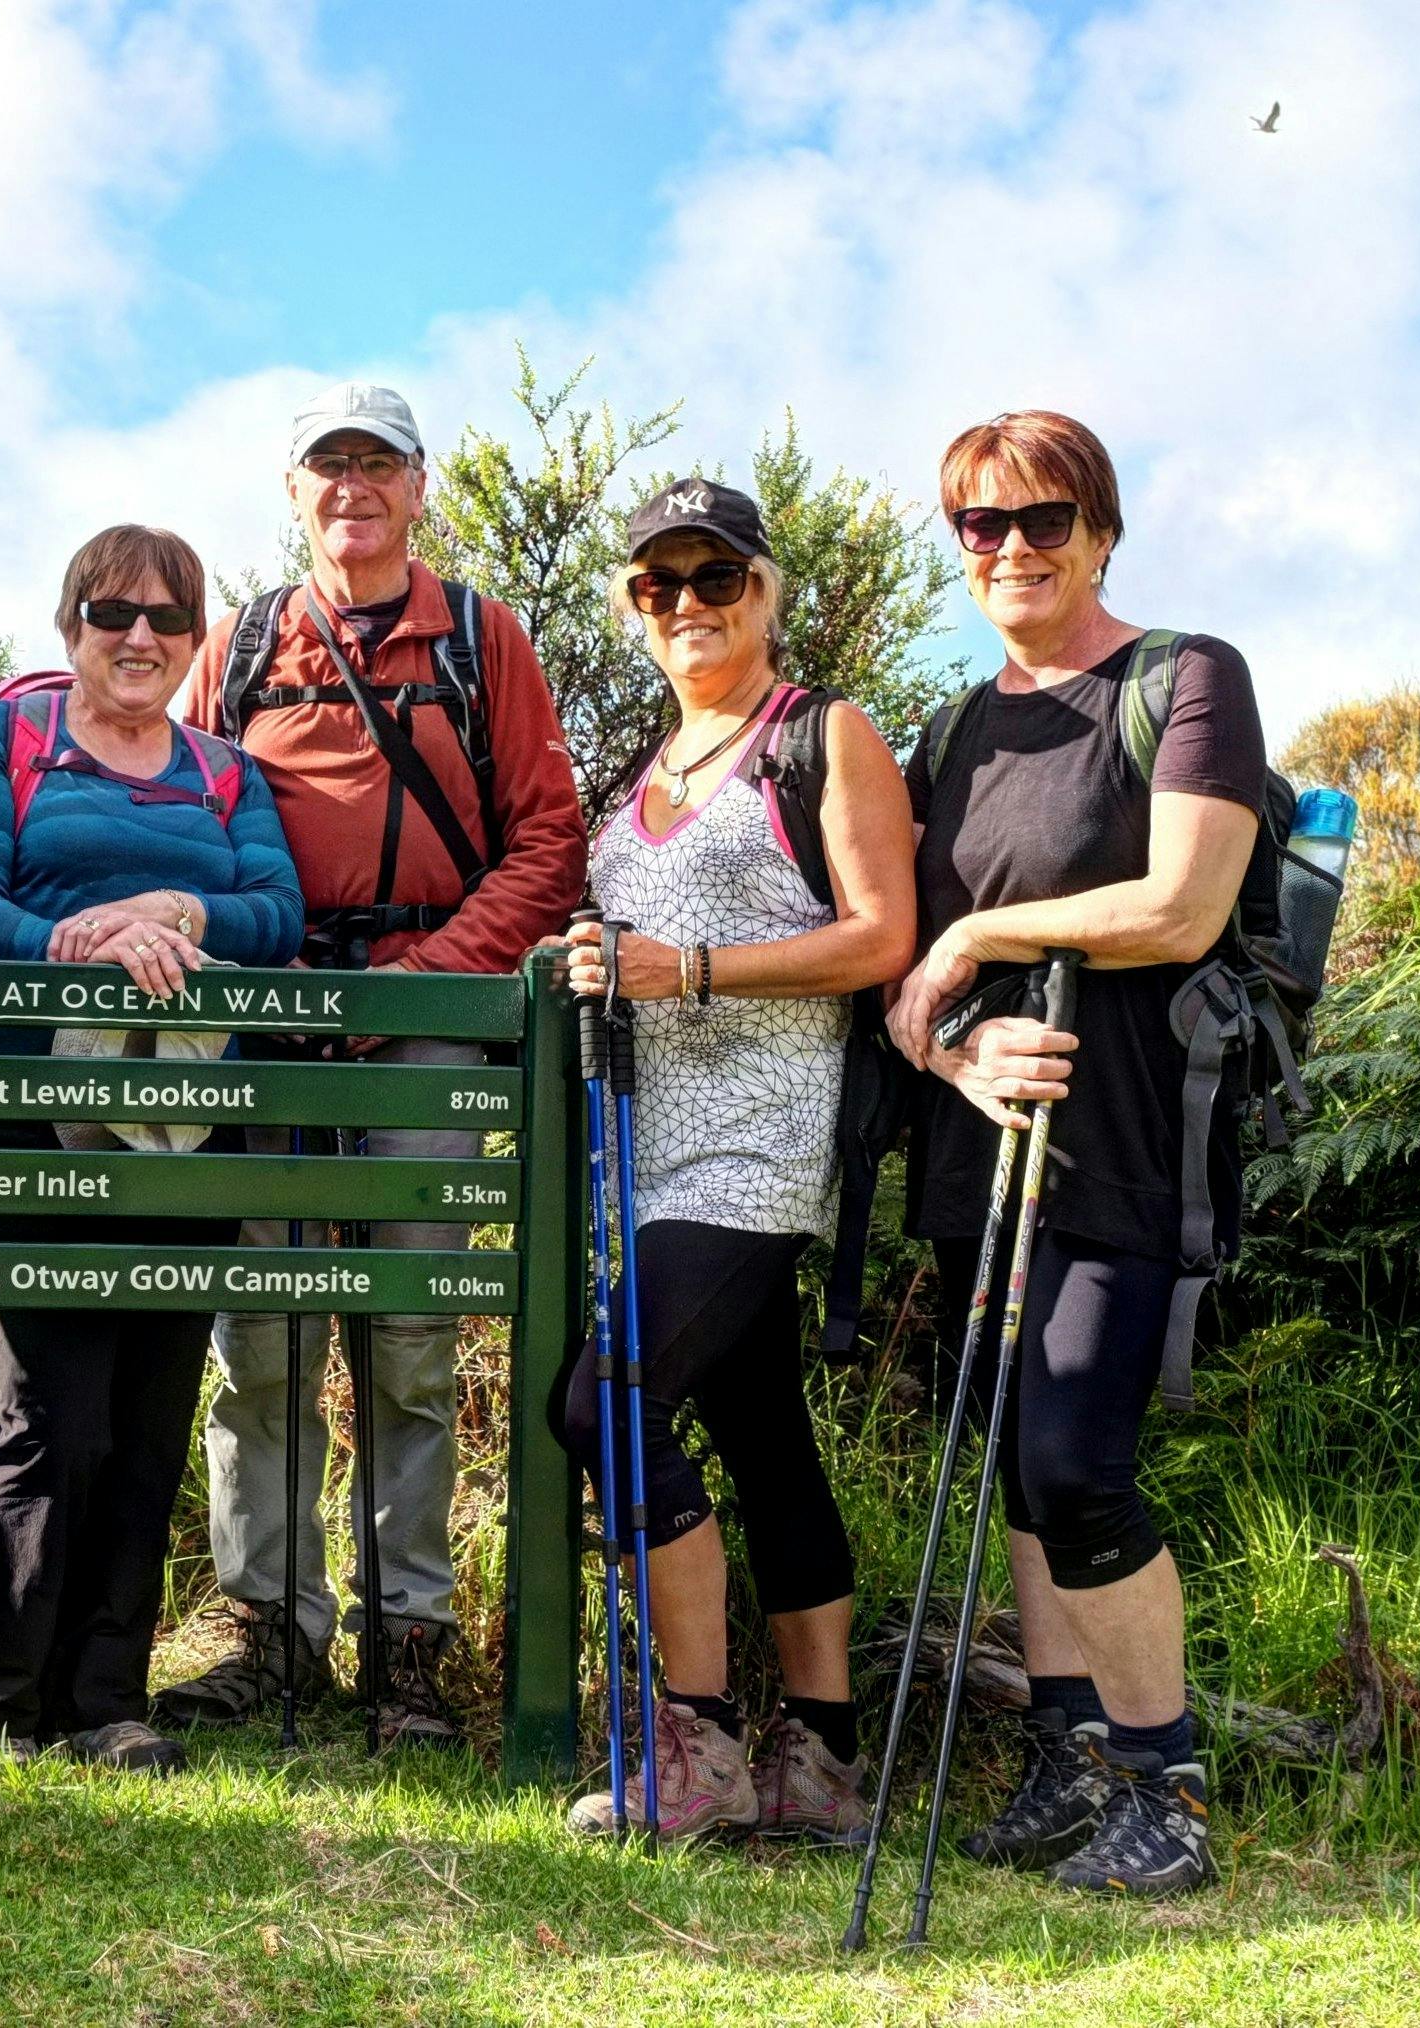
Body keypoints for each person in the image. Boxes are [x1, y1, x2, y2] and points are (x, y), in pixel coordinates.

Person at [154, 383, 585, 1751]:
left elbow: (547, 840)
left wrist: (420, 974)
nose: (352, 487)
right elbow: (170, 809)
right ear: (292, 493)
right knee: (260, 1336)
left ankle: (408, 1641)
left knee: (405, 1342)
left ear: (418, 486)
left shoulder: (480, 639)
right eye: (325, 465)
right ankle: (266, 1630)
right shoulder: (238, 646)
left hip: (424, 1019)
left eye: (376, 464)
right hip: (268, 1020)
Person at [883, 410, 1264, 1898]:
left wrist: (981, 931)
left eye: (1044, 519)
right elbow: (901, 974)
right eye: (981, 526)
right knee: (1014, 1473)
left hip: (1127, 1142)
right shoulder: (953, 730)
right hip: (983, 1153)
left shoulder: (1184, 680)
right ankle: (1066, 1760)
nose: (1013, 549)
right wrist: (953, 1040)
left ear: (1100, 531)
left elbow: (1177, 907)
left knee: (1074, 1461)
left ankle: (1163, 1792)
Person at [548, 478, 916, 1842]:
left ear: (764, 590)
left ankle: (694, 1746)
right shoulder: (643, 772)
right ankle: (816, 1765)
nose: (688, 606)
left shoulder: (821, 736)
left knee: (604, 1404)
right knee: (765, 1441)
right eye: (658, 586)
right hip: (640, 1165)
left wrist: (680, 970)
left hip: (760, 1155)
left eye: (715, 580)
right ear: (631, 608)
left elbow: (878, 935)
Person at [0, 526, 304, 1782]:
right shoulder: (10, 743)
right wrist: (77, 937)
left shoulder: (225, 774)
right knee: (48, 1413)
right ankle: (0, 1703)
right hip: (32, 1120)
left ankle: (107, 1698)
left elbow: (276, 911)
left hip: (187, 1124)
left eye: (166, 617)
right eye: (108, 612)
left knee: (148, 1410)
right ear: (69, 623)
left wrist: (183, 914)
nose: (137, 637)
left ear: (196, 639)